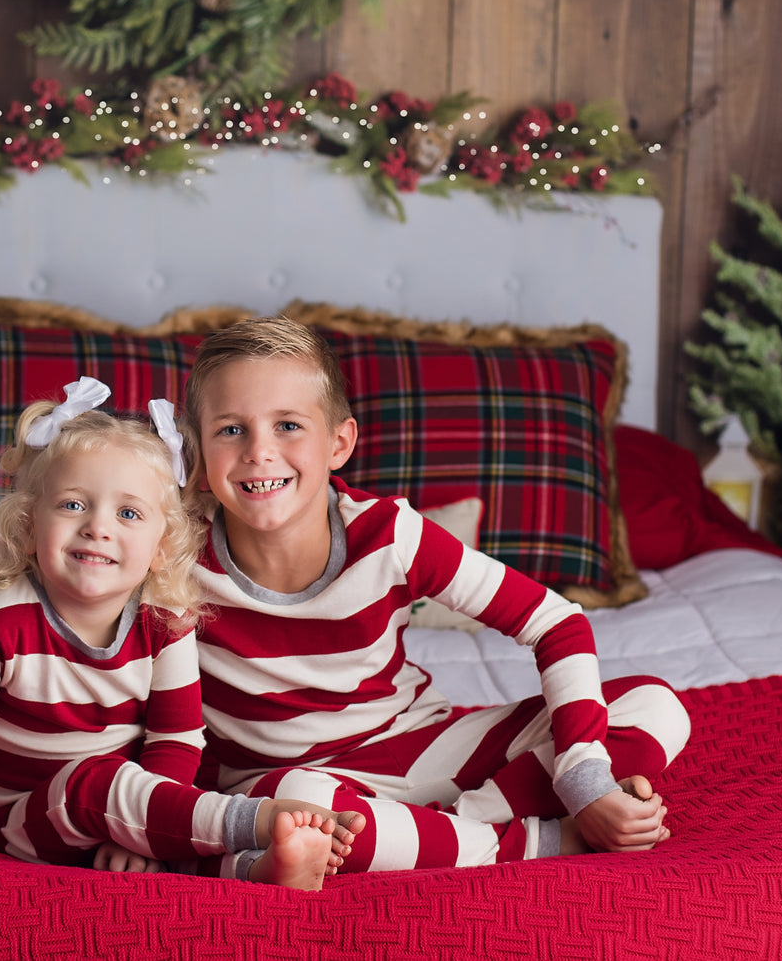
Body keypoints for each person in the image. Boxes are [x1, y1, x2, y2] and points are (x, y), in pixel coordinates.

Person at [180, 317, 693, 874]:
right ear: (198, 454)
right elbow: (124, 694)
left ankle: (443, 829)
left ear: (338, 443)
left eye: (287, 425)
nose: (260, 451)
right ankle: (522, 841)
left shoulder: (390, 535)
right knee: (300, 813)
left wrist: (586, 782)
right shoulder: (172, 556)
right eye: (231, 430)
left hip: (423, 743)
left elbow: (556, 622)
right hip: (304, 784)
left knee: (656, 703)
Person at [0, 377, 363, 890]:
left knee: (143, 852)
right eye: (73, 504)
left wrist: (144, 837)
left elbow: (174, 740)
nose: (98, 527)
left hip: (125, 810)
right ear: (29, 524)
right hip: (19, 819)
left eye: (128, 513)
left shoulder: (165, 625)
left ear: (161, 549)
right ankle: (260, 821)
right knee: (97, 783)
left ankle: (256, 869)